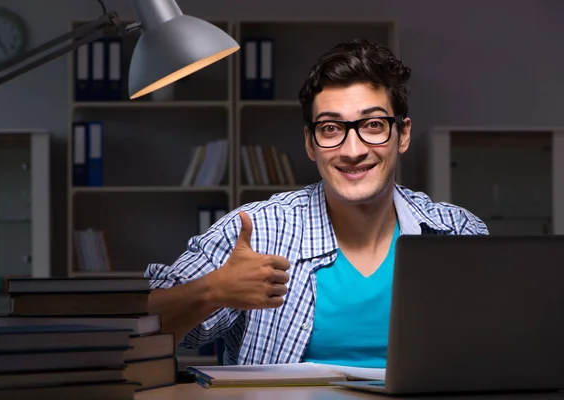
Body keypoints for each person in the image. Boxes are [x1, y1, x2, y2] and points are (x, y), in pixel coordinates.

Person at [145, 38, 488, 367]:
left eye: (372, 125)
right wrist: (212, 290)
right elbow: (137, 333)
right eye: (330, 129)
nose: (353, 151)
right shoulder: (258, 231)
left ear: (403, 134)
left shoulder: (457, 233)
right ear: (310, 143)